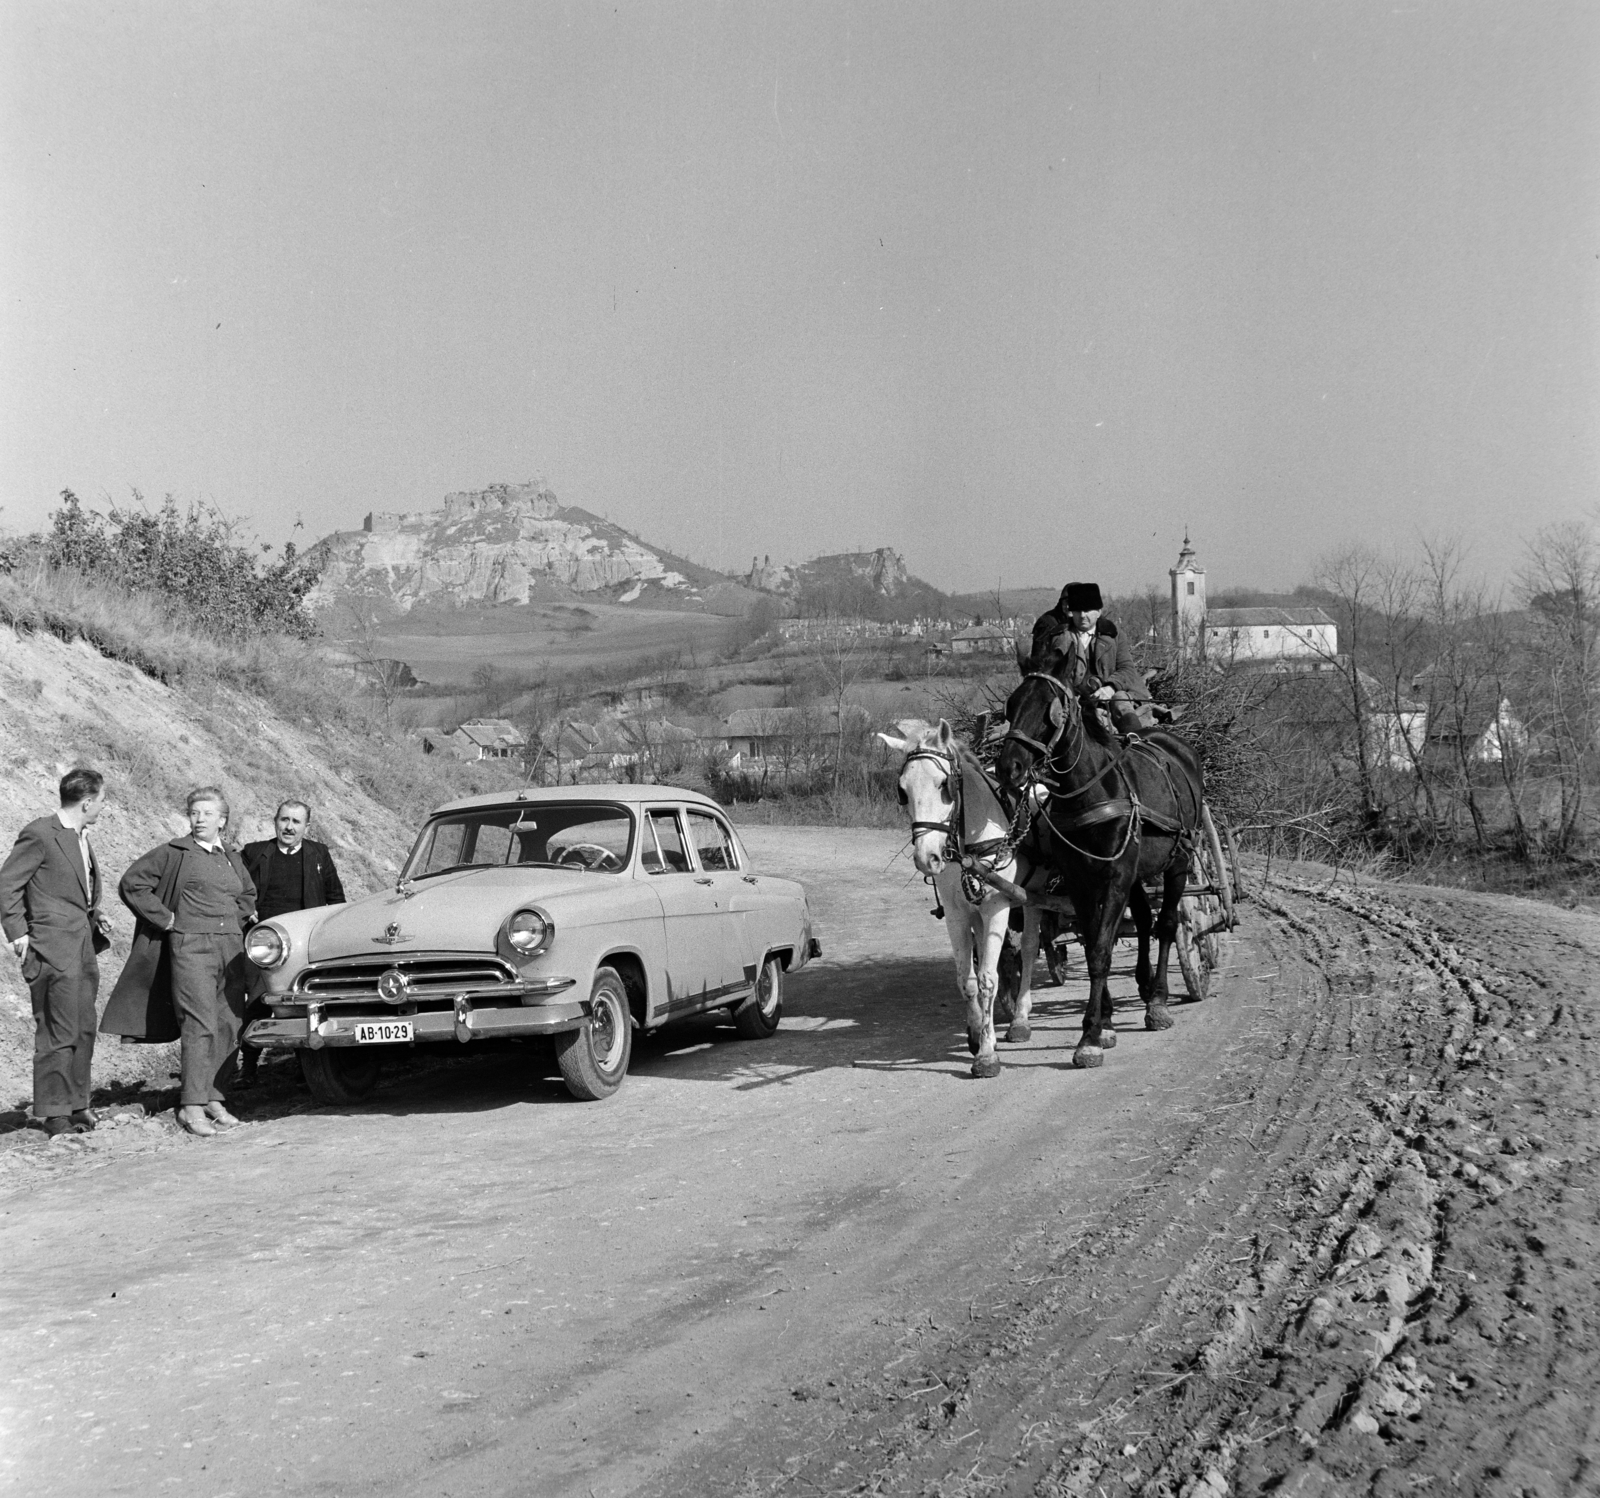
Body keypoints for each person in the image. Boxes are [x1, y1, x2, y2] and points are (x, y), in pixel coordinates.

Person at [100, 787, 256, 1137]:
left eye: (206, 813)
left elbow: (247, 893)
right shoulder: (175, 852)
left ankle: (214, 1098)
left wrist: (237, 919)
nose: (199, 819)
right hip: (192, 948)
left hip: (231, 948)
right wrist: (167, 920)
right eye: (194, 812)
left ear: (222, 820)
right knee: (199, 1021)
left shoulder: (230, 855)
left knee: (229, 1022)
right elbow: (132, 883)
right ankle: (190, 1106)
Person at [0, 768, 113, 1137]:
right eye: (100, 802)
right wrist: (19, 935)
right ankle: (54, 1113)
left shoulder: (80, 835)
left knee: (83, 1029)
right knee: (56, 1033)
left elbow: (69, 890)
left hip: (81, 947)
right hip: (51, 949)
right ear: (87, 802)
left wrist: (95, 915)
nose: (102, 809)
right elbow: (7, 886)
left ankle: (78, 1105)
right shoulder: (40, 834)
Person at [237, 800, 345, 1085]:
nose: (289, 827)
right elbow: (237, 891)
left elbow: (336, 901)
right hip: (263, 946)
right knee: (255, 1006)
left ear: (306, 827)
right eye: (284, 820)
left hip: (303, 948)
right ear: (275, 821)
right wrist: (248, 911)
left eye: (296, 822)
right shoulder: (255, 852)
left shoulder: (319, 855)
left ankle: (306, 1067)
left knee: (302, 1004)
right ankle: (248, 1067)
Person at [1029, 581, 1149, 735]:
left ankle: (1135, 744)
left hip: (1109, 697)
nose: (1083, 616)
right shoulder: (1057, 637)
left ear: (1099, 611)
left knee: (1121, 702)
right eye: (1078, 611)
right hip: (1071, 699)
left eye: (1087, 610)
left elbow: (1127, 669)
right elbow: (1047, 674)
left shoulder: (1114, 635)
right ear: (1071, 611)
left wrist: (1111, 687)